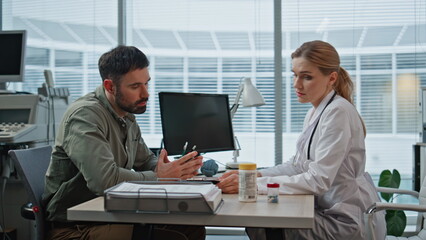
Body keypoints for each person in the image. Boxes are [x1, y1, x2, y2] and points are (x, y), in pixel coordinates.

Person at [217, 40, 386, 240]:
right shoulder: (316, 112)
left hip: (347, 221)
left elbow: (317, 180)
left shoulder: (338, 112)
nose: (296, 84)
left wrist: (252, 185)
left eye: (306, 77)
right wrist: (256, 175)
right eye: (295, 75)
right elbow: (298, 165)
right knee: (261, 221)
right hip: (328, 208)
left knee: (262, 226)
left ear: (331, 78)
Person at [42, 45, 205, 240]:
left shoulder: (126, 115)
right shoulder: (85, 116)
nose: (145, 94)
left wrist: (173, 170)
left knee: (192, 227)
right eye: (135, 86)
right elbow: (105, 181)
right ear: (110, 86)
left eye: (146, 83)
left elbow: (145, 161)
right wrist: (160, 177)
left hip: (112, 214)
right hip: (75, 226)